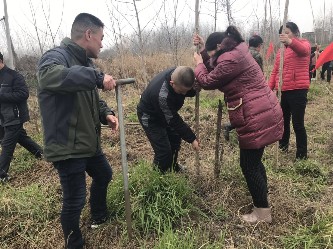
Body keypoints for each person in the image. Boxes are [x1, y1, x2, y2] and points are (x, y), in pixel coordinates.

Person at [37, 13, 119, 249]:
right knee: (74, 200)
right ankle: (74, 244)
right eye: (101, 38)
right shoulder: (55, 57)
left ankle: (99, 217)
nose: (102, 44)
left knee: (104, 174)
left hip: (87, 142)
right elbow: (48, 77)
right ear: (88, 35)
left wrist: (106, 113)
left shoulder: (85, 63)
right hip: (67, 145)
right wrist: (96, 77)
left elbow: (91, 97)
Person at [193, 26, 283, 224]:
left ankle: (262, 214)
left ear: (218, 46)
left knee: (249, 165)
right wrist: (202, 50)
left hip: (255, 114)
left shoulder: (231, 58)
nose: (211, 58)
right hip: (261, 110)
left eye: (210, 53)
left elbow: (208, 80)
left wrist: (199, 64)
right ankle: (263, 204)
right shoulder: (236, 52)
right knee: (254, 162)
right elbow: (216, 69)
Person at [137, 66, 200, 173]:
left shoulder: (180, 74)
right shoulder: (162, 95)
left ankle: (172, 167)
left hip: (165, 112)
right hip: (150, 117)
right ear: (172, 83)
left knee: (175, 139)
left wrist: (196, 88)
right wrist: (192, 139)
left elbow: (187, 89)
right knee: (164, 151)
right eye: (181, 92)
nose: (184, 94)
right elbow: (173, 120)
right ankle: (159, 178)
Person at [268, 22, 310, 160]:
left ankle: (301, 155)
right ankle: (283, 146)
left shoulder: (303, 44)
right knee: (283, 121)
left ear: (295, 32)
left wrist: (291, 42)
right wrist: (269, 89)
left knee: (298, 123)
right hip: (283, 91)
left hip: (298, 90)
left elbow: (303, 51)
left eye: (288, 32)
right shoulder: (281, 51)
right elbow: (275, 71)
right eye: (282, 33)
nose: (285, 35)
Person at [0, 52, 43, 183]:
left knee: (7, 145)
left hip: (14, 116)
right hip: (2, 118)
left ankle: (1, 175)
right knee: (21, 138)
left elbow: (23, 94)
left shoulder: (13, 76)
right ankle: (42, 154)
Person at [223, 34, 265, 141]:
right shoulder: (256, 55)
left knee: (239, 113)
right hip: (248, 90)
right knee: (249, 114)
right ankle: (243, 134)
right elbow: (258, 74)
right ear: (259, 45)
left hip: (233, 90)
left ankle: (233, 129)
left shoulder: (240, 53)